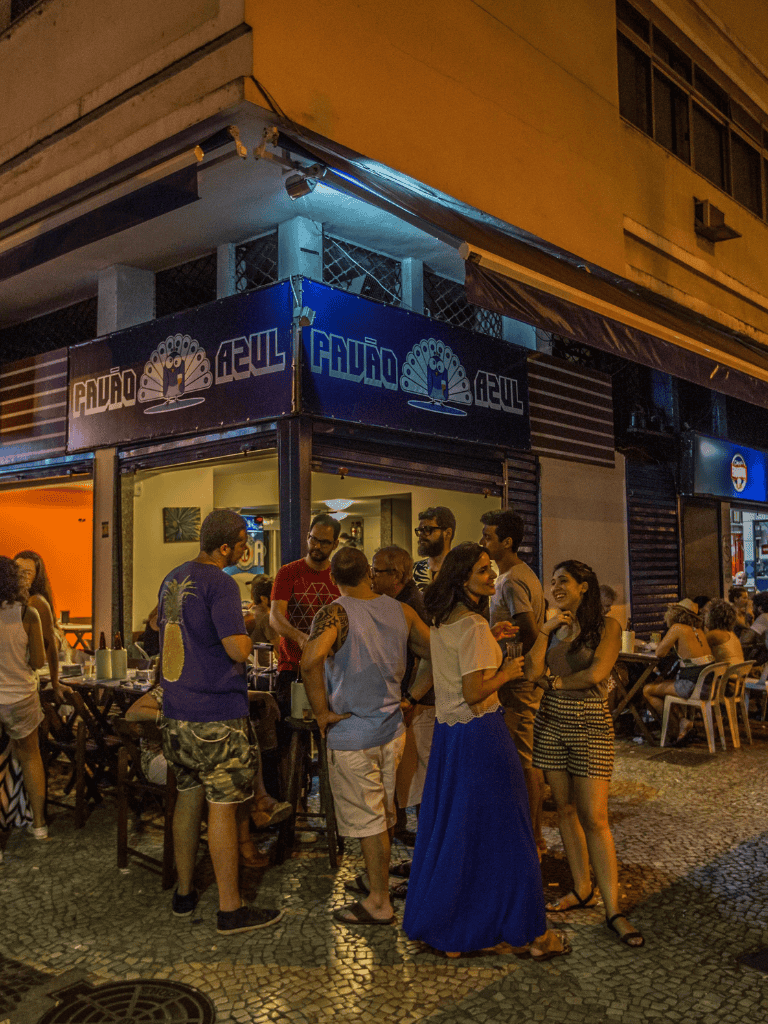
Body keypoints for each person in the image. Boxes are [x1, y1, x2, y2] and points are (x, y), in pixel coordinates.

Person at [401, 544, 568, 959]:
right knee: (511, 832)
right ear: (462, 579)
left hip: (451, 736)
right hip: (482, 733)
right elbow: (475, 690)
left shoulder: (445, 621)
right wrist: (507, 671)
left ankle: (451, 926)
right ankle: (531, 933)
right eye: (481, 571)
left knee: (457, 830)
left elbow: (451, 668)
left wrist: (491, 639)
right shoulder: (474, 625)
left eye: (490, 569)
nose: (491, 577)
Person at [158, 508, 282, 934]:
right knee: (224, 809)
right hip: (215, 717)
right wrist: (246, 628)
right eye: (243, 543)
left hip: (176, 713)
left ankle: (184, 893)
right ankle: (230, 909)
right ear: (226, 546)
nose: (246, 550)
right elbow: (237, 649)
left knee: (187, 798)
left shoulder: (172, 578)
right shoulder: (221, 583)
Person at [300, 546, 432, 927]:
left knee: (370, 820)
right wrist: (412, 696)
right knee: (383, 813)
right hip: (392, 730)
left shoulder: (334, 612)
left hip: (353, 734)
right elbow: (435, 653)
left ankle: (378, 902)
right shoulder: (400, 610)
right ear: (368, 575)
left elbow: (310, 660)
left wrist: (322, 712)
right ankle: (379, 880)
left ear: (333, 578)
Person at [525, 559, 643, 948]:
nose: (556, 587)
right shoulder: (554, 627)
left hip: (591, 722)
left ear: (584, 586)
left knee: (594, 816)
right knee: (564, 809)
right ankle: (582, 888)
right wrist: (545, 631)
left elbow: (596, 673)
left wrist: (554, 683)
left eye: (564, 581)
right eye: (553, 582)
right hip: (550, 723)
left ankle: (614, 909)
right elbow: (531, 672)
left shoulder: (607, 626)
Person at [480, 508, 547, 857]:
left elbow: (530, 630)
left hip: (518, 679)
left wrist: (517, 662)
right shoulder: (519, 574)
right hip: (517, 676)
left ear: (506, 542)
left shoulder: (511, 581)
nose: (483, 542)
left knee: (524, 759)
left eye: (488, 536)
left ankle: (533, 837)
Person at [371, 546, 433, 842]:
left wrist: (411, 697)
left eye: (376, 571)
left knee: (419, 777)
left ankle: (424, 842)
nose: (371, 577)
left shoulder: (410, 606)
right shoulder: (397, 602)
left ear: (396, 575)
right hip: (411, 702)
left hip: (420, 706)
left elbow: (429, 656)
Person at [269, 514, 341, 721]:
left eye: (324, 542)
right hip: (293, 667)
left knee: (327, 731)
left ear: (335, 544)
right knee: (291, 730)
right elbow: (275, 617)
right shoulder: (288, 572)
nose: (316, 546)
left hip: (331, 670)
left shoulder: (339, 576)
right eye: (313, 539)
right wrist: (300, 638)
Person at [0, 557, 48, 838]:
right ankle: (39, 825)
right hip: (21, 696)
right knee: (31, 756)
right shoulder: (27, 614)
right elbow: (38, 662)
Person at [643, 599, 714, 746]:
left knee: (648, 690)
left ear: (675, 614)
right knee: (663, 683)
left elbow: (660, 652)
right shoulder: (699, 631)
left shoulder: (677, 628)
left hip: (691, 686)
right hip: (707, 686)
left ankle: (674, 730)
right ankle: (683, 722)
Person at [14, 550, 63, 696]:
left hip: (35, 669)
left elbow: (50, 645)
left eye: (28, 572)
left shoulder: (36, 602)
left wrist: (55, 683)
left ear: (36, 577)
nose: (22, 575)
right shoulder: (11, 601)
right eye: (18, 570)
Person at [412, 506, 455, 591]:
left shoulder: (461, 569)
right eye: (420, 530)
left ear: (448, 533)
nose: (421, 535)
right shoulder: (413, 571)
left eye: (428, 529)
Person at [246, 576, 278, 667]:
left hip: (256, 666)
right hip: (267, 668)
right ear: (264, 599)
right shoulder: (266, 618)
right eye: (275, 596)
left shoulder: (253, 611)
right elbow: (279, 649)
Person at [703, 599, 744, 666]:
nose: (704, 616)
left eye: (706, 613)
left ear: (712, 616)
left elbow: (698, 652)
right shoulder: (731, 633)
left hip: (727, 671)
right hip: (739, 670)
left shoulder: (714, 634)